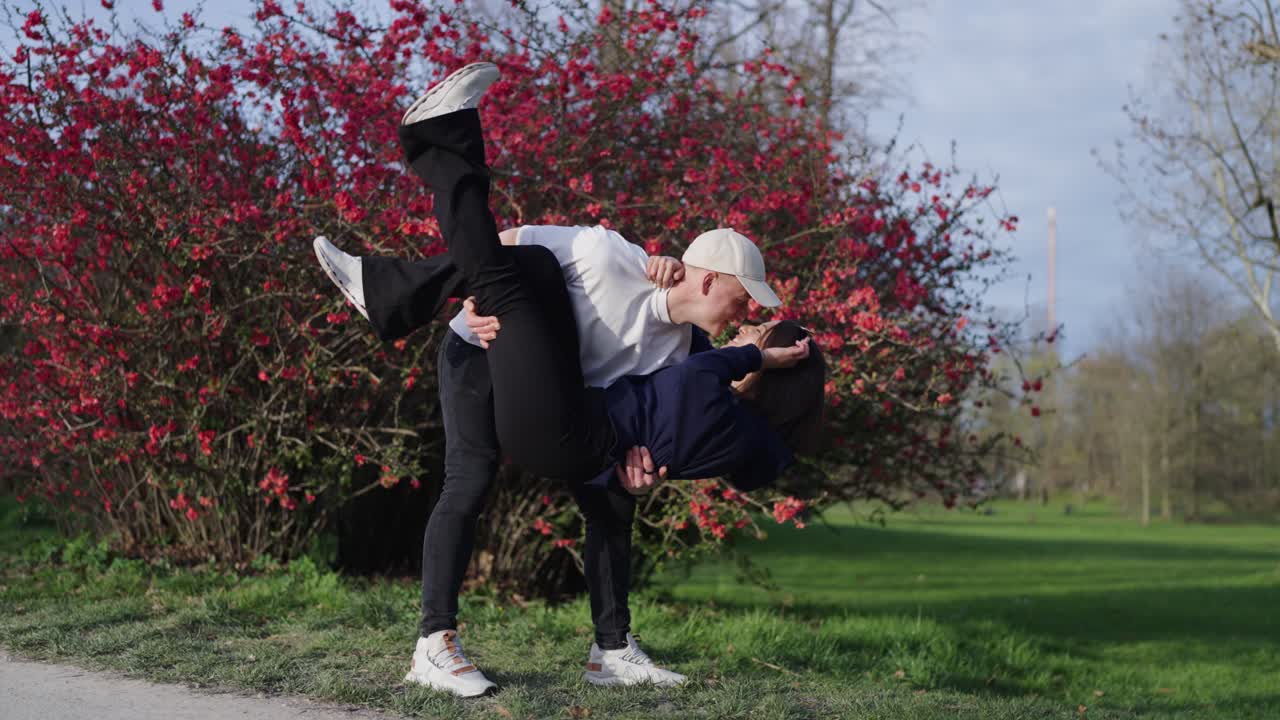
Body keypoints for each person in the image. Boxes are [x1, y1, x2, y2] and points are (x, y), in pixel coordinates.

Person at [314, 62, 825, 695]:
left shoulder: (686, 355)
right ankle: (434, 643)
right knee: (468, 481)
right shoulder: (617, 260)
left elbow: (642, 420)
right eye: (746, 300)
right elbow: (513, 249)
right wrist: (472, 296)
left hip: (559, 409)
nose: (749, 315)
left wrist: (640, 475)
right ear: (711, 279)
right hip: (480, 350)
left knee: (611, 502)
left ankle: (611, 651)